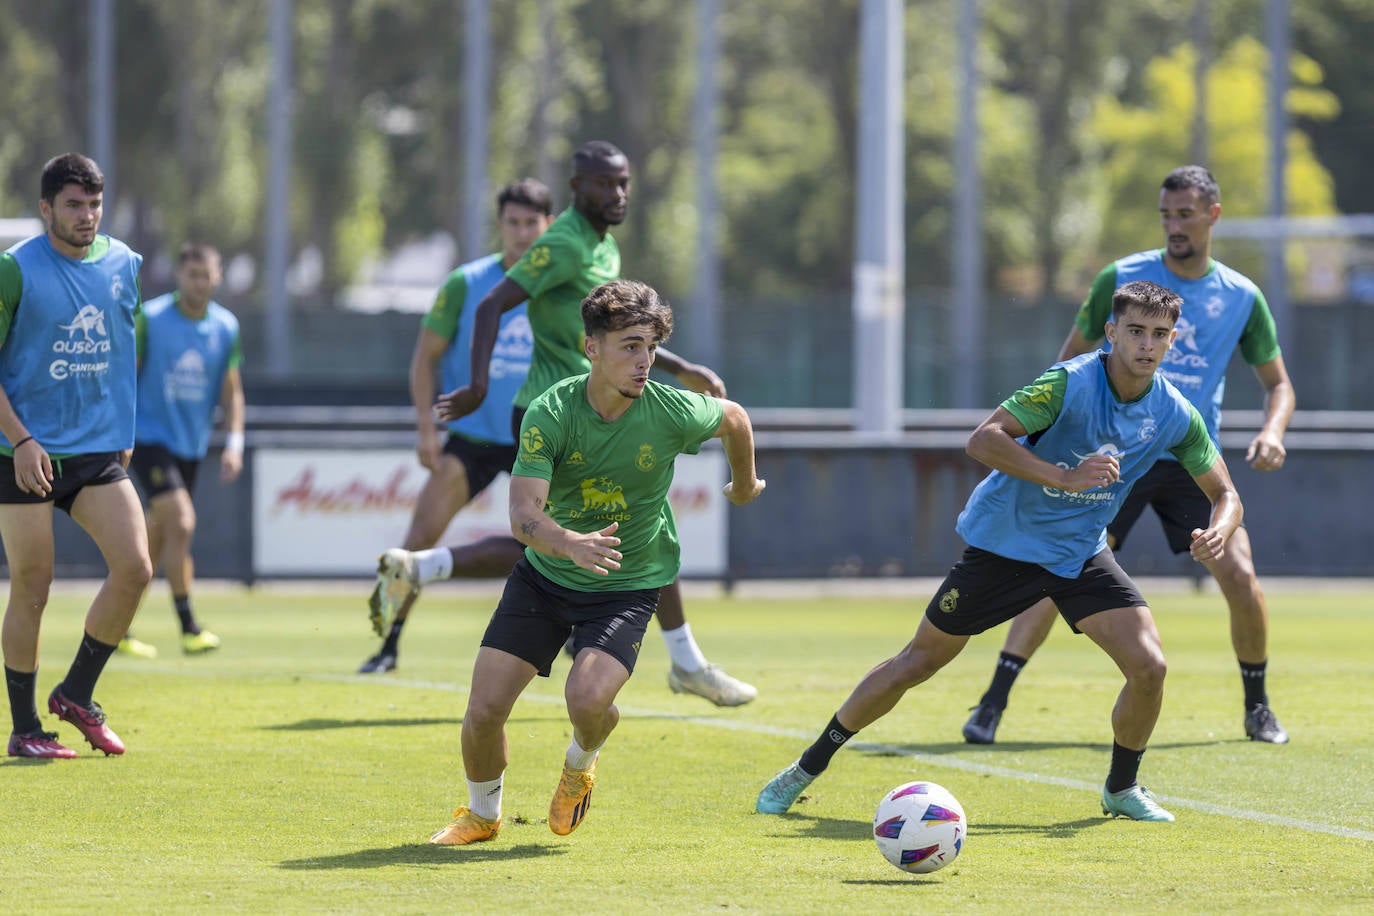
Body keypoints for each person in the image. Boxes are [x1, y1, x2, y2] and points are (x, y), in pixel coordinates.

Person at [757, 280, 1242, 823]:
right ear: (1111, 333)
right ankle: (804, 768)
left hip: (1079, 553)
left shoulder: (1175, 411)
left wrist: (1219, 530)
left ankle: (1121, 788)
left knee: (1149, 666)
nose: (1146, 345)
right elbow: (984, 439)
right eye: (1134, 331)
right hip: (1004, 548)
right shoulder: (1068, 383)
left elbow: (1226, 494)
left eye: (1158, 334)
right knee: (916, 663)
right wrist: (1064, 476)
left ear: (1172, 341)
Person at [376, 141, 758, 707]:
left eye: (623, 183)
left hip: (595, 408)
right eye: (604, 185)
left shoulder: (602, 247)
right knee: (556, 532)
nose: (617, 194)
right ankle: (429, 567)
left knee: (637, 524)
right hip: (554, 411)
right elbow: (490, 306)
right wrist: (478, 385)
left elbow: (618, 329)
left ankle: (680, 660)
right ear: (577, 189)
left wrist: (678, 366)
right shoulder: (564, 242)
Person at [961, 165, 1296, 747]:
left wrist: (1273, 431)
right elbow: (1070, 361)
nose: (1174, 226)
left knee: (1240, 574)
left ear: (1212, 215)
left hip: (1189, 456)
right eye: (1166, 215)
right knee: (1056, 571)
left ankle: (1258, 706)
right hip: (1113, 459)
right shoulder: (1122, 277)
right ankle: (993, 701)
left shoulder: (1243, 296)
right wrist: (1057, 454)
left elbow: (1279, 384)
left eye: (1185, 214)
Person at [428, 279, 765, 845]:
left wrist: (743, 481)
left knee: (586, 701)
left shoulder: (671, 411)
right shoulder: (551, 411)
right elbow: (521, 516)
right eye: (630, 346)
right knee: (484, 710)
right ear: (592, 349)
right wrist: (570, 544)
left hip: (626, 585)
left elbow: (733, 417)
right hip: (546, 579)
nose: (645, 362)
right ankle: (482, 815)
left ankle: (580, 762)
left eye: (651, 348)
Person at [358, 178, 554, 674]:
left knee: (561, 536)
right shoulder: (467, 283)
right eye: (514, 222)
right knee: (418, 537)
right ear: (499, 226)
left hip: (542, 438)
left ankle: (572, 632)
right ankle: (387, 647)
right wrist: (426, 428)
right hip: (473, 438)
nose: (523, 232)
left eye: (533, 222)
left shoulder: (563, 285)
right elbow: (425, 358)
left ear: (549, 225)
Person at [1, 152, 153, 758]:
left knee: (136, 568)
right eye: (72, 204)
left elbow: (121, 350)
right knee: (34, 586)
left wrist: (127, 428)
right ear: (46, 210)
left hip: (96, 450)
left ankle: (76, 693)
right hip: (25, 452)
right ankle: (24, 729)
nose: (86, 215)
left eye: (93, 204)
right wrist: (20, 440)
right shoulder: (14, 271)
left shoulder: (124, 264)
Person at [121, 242, 244, 658]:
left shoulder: (226, 326)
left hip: (191, 445)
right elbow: (126, 379)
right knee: (184, 523)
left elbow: (232, 391)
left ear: (217, 276)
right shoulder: (151, 319)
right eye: (191, 275)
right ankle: (189, 626)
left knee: (156, 543)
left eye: (206, 274)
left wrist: (235, 442)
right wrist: (119, 435)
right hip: (149, 439)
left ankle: (115, 627)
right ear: (179, 276)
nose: (199, 282)